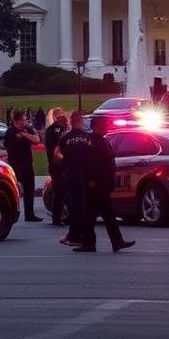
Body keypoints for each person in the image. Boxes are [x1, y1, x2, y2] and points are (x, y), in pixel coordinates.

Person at [74, 115, 134, 253]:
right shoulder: (91, 142)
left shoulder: (102, 141)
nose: (107, 127)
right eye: (104, 125)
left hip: (103, 183)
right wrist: (91, 181)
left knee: (105, 214)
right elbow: (89, 165)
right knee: (93, 215)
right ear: (97, 127)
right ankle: (93, 242)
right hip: (96, 184)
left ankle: (111, 242)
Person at [57, 110, 91, 246]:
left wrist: (65, 163)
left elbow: (56, 155)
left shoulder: (65, 138)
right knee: (82, 205)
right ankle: (80, 234)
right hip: (85, 174)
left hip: (70, 174)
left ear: (71, 122)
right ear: (81, 121)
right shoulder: (88, 137)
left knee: (74, 204)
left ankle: (74, 234)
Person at [3, 110, 43, 221]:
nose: (25, 122)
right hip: (15, 164)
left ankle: (29, 214)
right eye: (23, 120)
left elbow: (37, 140)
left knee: (30, 189)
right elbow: (7, 145)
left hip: (27, 163)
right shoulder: (10, 132)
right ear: (16, 121)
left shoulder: (28, 130)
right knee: (13, 189)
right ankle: (10, 213)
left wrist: (25, 134)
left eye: (26, 120)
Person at [44, 108, 69, 225]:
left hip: (59, 164)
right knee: (59, 191)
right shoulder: (54, 130)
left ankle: (62, 216)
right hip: (57, 164)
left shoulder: (55, 129)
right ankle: (57, 217)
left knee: (62, 191)